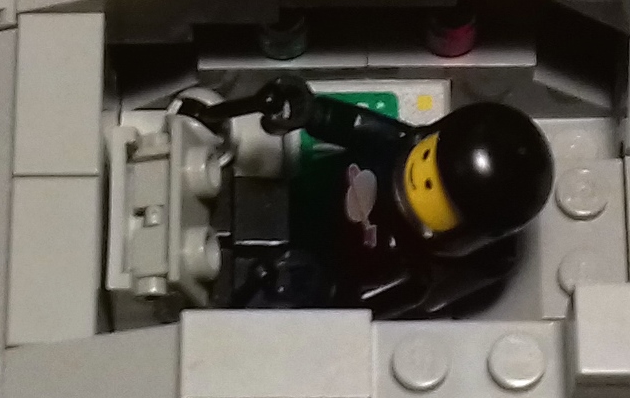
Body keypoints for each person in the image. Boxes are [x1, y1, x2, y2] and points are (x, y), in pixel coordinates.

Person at [177, 75, 554, 317]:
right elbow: (354, 125)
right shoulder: (397, 144)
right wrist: (309, 111)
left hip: (316, 266)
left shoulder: (411, 274)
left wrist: (313, 290)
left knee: (249, 282)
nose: (419, 180)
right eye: (427, 158)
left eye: (436, 195)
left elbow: (352, 309)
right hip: (302, 194)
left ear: (461, 235)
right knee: (246, 204)